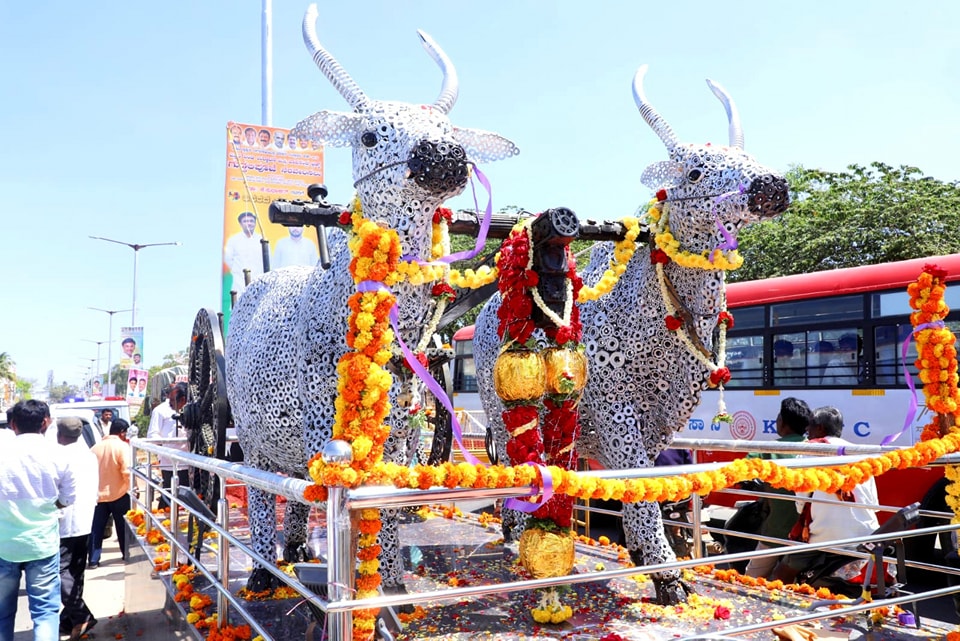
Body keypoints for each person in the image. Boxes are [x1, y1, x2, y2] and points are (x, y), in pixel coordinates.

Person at [773, 406, 880, 592]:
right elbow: (873, 505)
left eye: (810, 427)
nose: (807, 432)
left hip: (825, 537)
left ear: (821, 428)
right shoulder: (861, 453)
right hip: (866, 536)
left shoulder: (810, 451)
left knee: (782, 574)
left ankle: (778, 605)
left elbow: (801, 502)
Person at [0, 400, 78, 641]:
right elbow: (68, 498)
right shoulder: (59, 455)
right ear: (46, 422)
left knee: (2, 614)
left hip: (4, 545)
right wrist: (46, 507)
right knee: (45, 613)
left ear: (13, 424)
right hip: (42, 545)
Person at [743, 397, 812, 579]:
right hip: (809, 533)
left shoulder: (768, 449)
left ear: (782, 422)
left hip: (777, 531)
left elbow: (742, 471)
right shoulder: (816, 448)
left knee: (750, 579)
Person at [55, 418, 99, 639]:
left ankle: (81, 616)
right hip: (85, 519)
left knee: (60, 572)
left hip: (67, 522)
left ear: (59, 433)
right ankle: (68, 619)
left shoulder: (60, 456)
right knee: (75, 573)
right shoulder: (89, 455)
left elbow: (62, 494)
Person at [88, 419, 132, 569]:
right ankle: (126, 554)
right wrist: (132, 488)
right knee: (123, 527)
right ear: (122, 432)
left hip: (98, 496)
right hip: (119, 493)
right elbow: (126, 471)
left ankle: (93, 560)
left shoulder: (95, 448)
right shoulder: (122, 447)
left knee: (96, 529)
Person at [147, 383, 189, 510]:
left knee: (190, 498)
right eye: (169, 399)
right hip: (169, 464)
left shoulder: (192, 408)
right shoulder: (160, 411)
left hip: (191, 462)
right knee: (170, 496)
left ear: (183, 400)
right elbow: (152, 436)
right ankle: (165, 523)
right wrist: (167, 447)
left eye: (172, 400)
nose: (170, 403)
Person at [224, 211, 264, 294]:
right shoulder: (234, 240)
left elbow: (268, 259)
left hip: (258, 281)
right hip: (239, 282)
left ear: (255, 223)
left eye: (251, 221)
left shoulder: (262, 239)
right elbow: (228, 258)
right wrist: (237, 269)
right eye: (245, 221)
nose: (249, 223)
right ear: (241, 224)